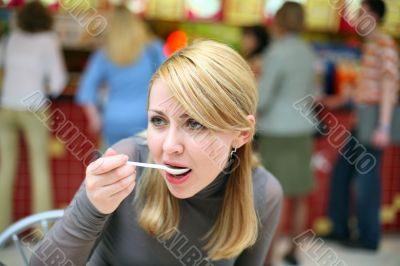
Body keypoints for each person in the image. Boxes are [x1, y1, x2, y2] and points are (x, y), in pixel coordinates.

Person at [30, 40, 283, 266]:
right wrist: (92, 208)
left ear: (242, 133)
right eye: (159, 121)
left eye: (195, 123)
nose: (169, 146)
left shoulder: (263, 194)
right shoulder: (126, 162)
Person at [327, 0, 399, 251]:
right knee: (343, 174)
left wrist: (384, 126)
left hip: (374, 120)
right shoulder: (371, 45)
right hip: (364, 120)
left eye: (360, 13)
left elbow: (390, 85)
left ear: (374, 15)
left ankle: (369, 238)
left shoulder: (384, 44)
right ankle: (341, 229)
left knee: (366, 180)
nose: (356, 18)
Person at [256, 2, 316, 265]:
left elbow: (263, 98)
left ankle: (268, 258)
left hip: (277, 130)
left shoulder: (275, 52)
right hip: (302, 128)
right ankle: (294, 251)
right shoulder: (307, 51)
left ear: (277, 21)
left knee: (274, 195)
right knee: (299, 192)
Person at [0, 2, 67, 232]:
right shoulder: (49, 40)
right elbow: (59, 82)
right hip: (34, 108)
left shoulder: (11, 38)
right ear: (46, 19)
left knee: (5, 169)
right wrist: (43, 87)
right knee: (40, 168)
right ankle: (42, 231)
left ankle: (2, 230)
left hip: (6, 107)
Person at [76, 5, 166, 147]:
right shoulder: (153, 48)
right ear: (137, 24)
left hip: (113, 119)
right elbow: (169, 79)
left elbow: (86, 90)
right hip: (144, 119)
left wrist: (95, 118)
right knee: (144, 165)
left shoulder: (104, 54)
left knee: (114, 164)